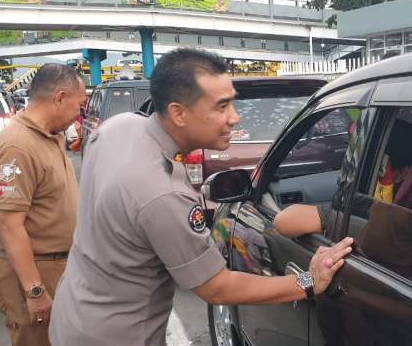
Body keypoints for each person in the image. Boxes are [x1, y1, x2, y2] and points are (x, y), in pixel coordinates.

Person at [49, 48, 353, 346]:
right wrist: (307, 281)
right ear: (178, 113)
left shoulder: (118, 127)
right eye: (222, 107)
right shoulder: (161, 193)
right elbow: (216, 288)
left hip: (72, 312)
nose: (234, 118)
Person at [0, 64, 85, 346]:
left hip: (59, 266)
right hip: (36, 272)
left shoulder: (50, 136)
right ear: (60, 98)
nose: (79, 114)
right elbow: (9, 226)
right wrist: (35, 291)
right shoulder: (17, 146)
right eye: (79, 105)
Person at [274, 119, 412, 238]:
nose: (355, 165)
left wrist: (334, 217)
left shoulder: (377, 207)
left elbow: (284, 220)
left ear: (401, 173)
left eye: (364, 159)